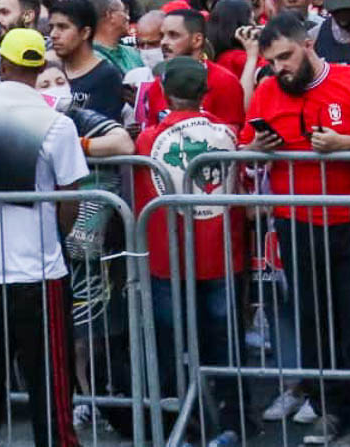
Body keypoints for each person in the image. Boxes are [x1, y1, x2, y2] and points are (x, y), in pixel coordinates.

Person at [240, 13, 350, 445]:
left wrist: (346, 144)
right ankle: (328, 409)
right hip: (297, 223)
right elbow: (245, 152)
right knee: (313, 317)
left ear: (308, 45)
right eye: (272, 61)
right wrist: (256, 147)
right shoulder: (268, 91)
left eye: (286, 56)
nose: (280, 68)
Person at [0, 28, 88, 447]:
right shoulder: (56, 123)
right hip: (39, 273)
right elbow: (70, 197)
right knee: (51, 384)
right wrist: (56, 236)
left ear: (2, 65)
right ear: (38, 67)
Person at [132, 57, 250, 447]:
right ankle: (233, 423)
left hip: (169, 259)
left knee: (171, 348)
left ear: (165, 93)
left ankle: (179, 428)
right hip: (222, 255)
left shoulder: (147, 141)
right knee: (225, 346)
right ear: (205, 92)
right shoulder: (228, 134)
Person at [47, 0, 124, 117]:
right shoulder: (49, 71)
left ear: (85, 33)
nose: (53, 34)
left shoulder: (106, 77)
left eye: (62, 27)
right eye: (51, 27)